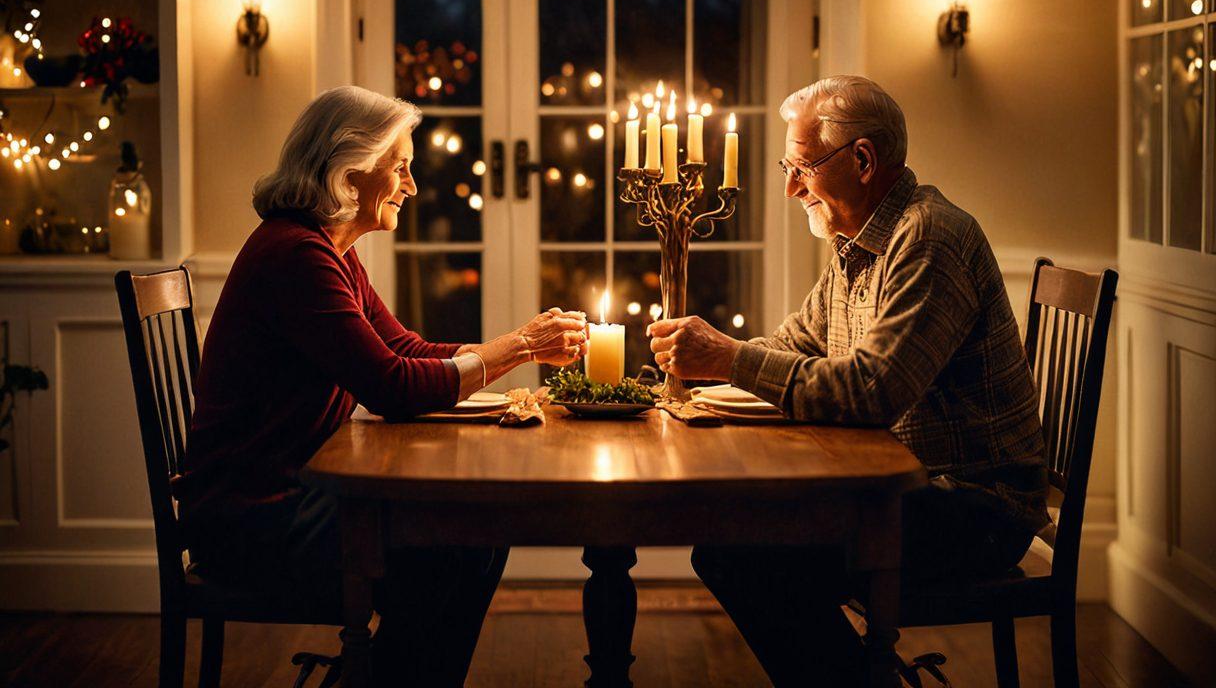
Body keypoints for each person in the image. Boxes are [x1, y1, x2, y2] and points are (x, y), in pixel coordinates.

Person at [175, 85, 589, 686]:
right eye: (400, 167)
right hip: (252, 522)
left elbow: (404, 351)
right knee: (456, 542)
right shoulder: (296, 256)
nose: (412, 186)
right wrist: (518, 347)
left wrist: (510, 349)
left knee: (472, 533)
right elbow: (392, 386)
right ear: (350, 169)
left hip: (290, 498)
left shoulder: (330, 251)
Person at [647, 76, 1049, 684]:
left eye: (800, 167)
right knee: (732, 546)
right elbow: (791, 347)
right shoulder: (858, 245)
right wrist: (698, 378)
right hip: (904, 490)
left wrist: (727, 358)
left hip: (975, 510)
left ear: (862, 160)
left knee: (738, 554)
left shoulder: (930, 236)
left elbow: (873, 391)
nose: (788, 187)